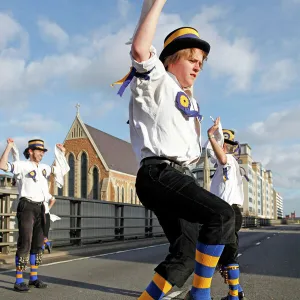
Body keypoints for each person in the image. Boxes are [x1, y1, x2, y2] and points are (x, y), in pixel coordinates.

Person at [114, 1, 239, 299]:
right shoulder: (157, 79)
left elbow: (188, 148)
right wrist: (155, 4)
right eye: (192, 58)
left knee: (185, 256)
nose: (199, 65)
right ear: (171, 59)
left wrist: (211, 136)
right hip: (159, 173)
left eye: (202, 62)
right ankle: (200, 295)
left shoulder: (186, 100)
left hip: (177, 177)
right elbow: (141, 51)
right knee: (221, 215)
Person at [0, 138, 65, 292]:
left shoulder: (43, 167)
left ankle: (33, 278)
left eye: (43, 151)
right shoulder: (22, 165)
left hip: (40, 207)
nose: (41, 153)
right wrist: (9, 147)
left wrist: (62, 154)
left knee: (38, 244)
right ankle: (18, 280)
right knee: (25, 243)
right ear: (30, 151)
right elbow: (3, 166)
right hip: (27, 206)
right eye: (39, 151)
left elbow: (58, 170)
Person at [206, 117, 245, 300]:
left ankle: (234, 295)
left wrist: (211, 137)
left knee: (218, 252)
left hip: (226, 212)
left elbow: (221, 158)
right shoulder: (233, 166)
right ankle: (236, 292)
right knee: (226, 253)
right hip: (232, 212)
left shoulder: (228, 159)